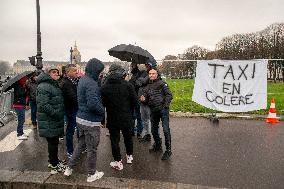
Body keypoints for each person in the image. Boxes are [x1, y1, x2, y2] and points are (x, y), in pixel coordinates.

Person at [64, 58, 104, 182]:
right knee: (92, 149)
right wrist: (103, 111)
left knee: (81, 145)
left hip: (81, 119)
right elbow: (93, 104)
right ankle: (91, 174)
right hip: (90, 121)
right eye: (100, 71)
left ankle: (69, 168)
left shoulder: (83, 79)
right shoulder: (91, 83)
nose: (100, 73)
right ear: (95, 70)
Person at [101, 65, 137, 171]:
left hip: (112, 117)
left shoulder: (104, 87)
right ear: (121, 73)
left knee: (114, 140)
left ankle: (118, 162)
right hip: (126, 116)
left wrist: (103, 120)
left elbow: (102, 105)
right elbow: (135, 102)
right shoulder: (128, 85)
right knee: (128, 137)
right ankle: (129, 157)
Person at [139, 68, 173, 160]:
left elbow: (169, 95)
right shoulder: (147, 86)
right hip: (153, 111)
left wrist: (165, 106)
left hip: (163, 110)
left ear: (157, 74)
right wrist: (143, 99)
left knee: (166, 130)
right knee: (154, 130)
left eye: (153, 73)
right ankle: (158, 145)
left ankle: (168, 150)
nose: (151, 75)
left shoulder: (162, 83)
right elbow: (146, 99)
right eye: (150, 74)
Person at [37, 67, 65, 174]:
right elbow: (43, 105)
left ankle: (54, 161)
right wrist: (56, 113)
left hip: (53, 120)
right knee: (52, 143)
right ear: (48, 74)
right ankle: (54, 166)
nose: (56, 74)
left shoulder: (52, 84)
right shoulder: (44, 86)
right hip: (50, 119)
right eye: (53, 72)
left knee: (54, 142)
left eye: (57, 72)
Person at [60, 64, 79, 158]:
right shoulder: (66, 83)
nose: (77, 72)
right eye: (75, 71)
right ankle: (70, 151)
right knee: (70, 130)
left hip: (72, 109)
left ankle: (74, 149)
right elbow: (73, 98)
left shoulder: (72, 81)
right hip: (70, 109)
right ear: (68, 72)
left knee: (73, 129)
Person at [136, 61, 156, 142]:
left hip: (148, 101)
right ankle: (146, 135)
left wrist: (140, 80)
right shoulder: (144, 73)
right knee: (144, 119)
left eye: (148, 65)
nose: (146, 66)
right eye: (146, 65)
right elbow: (137, 83)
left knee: (150, 119)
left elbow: (142, 82)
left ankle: (152, 136)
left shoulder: (152, 74)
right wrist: (140, 80)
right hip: (142, 101)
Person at [128, 63, 144, 139]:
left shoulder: (137, 75)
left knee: (137, 115)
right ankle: (134, 131)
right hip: (133, 97)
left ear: (134, 66)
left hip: (136, 97)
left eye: (131, 66)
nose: (131, 67)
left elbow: (136, 84)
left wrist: (130, 83)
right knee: (134, 115)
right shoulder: (134, 74)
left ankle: (138, 131)